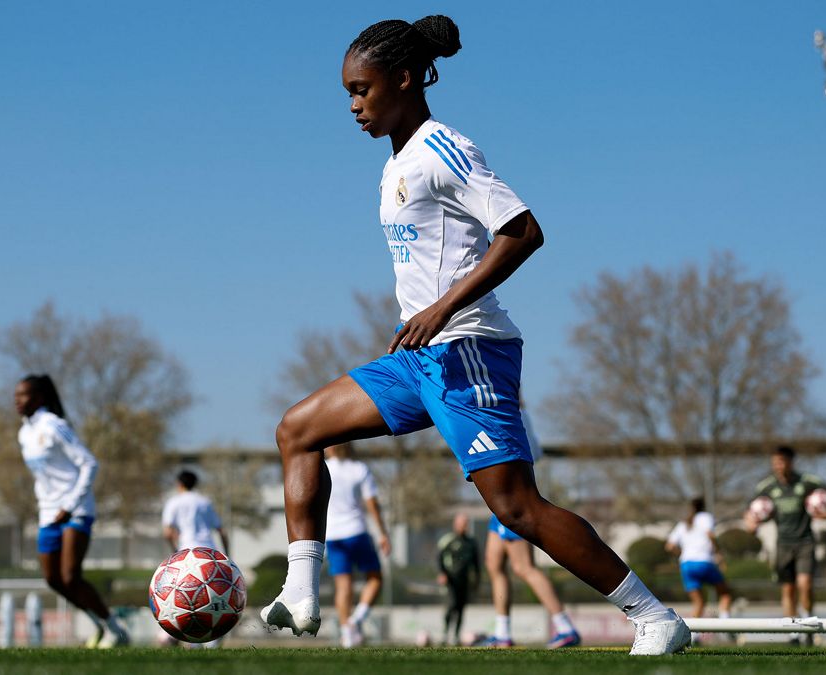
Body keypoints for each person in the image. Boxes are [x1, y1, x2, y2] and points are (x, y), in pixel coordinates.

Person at [260, 15, 689, 655]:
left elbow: (522, 230)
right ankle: (302, 591)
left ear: (404, 80)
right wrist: (420, 318)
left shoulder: (442, 147)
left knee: (516, 508)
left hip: (471, 349)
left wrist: (440, 309)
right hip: (418, 357)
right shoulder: (396, 160)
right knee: (298, 429)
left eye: (362, 90)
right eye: (348, 92)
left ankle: (654, 618)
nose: (353, 105)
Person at [15, 373, 129, 649]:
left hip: (75, 509)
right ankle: (99, 625)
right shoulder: (24, 432)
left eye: (23, 395)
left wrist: (69, 504)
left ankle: (115, 630)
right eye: (15, 396)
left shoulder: (55, 426)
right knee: (53, 580)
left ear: (39, 397)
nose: (17, 401)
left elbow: (89, 463)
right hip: (48, 513)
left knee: (70, 576)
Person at [746, 446, 826, 642]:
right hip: (783, 545)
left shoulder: (807, 482)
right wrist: (751, 521)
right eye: (775, 463)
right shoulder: (767, 486)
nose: (778, 466)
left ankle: (808, 623)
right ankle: (793, 632)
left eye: (781, 462)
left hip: (805, 542)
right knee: (788, 589)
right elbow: (750, 509)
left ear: (790, 462)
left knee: (804, 585)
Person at [322, 444, 390, 648]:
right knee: (375, 578)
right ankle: (356, 620)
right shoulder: (359, 468)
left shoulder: (322, 468)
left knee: (343, 586)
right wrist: (383, 533)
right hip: (356, 531)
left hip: (333, 535)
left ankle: (347, 634)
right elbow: (372, 504)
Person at [480, 513, 581, 648]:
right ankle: (502, 634)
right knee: (494, 566)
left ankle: (565, 628)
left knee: (524, 568)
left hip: (511, 507)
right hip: (496, 511)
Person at [665, 498, 732, 642]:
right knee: (725, 593)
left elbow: (669, 546)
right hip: (704, 562)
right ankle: (726, 628)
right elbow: (711, 535)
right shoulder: (706, 517)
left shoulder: (683, 523)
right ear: (704, 506)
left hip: (686, 564)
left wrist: (682, 554)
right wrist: (718, 552)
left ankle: (693, 637)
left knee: (699, 602)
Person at [436, 513, 479, 646]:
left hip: (464, 580)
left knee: (461, 608)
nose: (463, 526)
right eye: (461, 523)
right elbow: (439, 558)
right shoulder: (448, 540)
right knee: (452, 605)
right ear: (455, 524)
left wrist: (476, 579)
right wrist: (442, 573)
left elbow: (476, 563)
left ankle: (455, 636)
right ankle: (444, 634)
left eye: (465, 524)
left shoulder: (471, 542)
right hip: (450, 580)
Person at [161, 470, 229, 554]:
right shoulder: (205, 502)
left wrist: (174, 551)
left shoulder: (173, 502)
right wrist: (227, 554)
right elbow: (221, 530)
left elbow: (168, 533)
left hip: (186, 549)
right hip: (209, 550)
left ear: (179, 484)